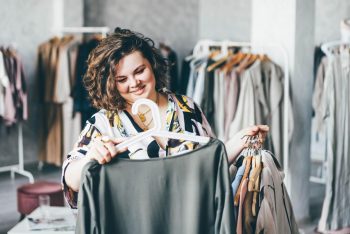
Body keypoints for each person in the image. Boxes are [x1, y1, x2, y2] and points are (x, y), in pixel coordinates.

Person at [62, 28, 269, 208]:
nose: (134, 83)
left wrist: (237, 143)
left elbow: (211, 163)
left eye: (139, 71)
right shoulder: (103, 124)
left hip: (190, 219)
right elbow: (70, 180)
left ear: (152, 65)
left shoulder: (187, 108)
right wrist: (90, 158)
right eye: (122, 79)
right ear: (110, 83)